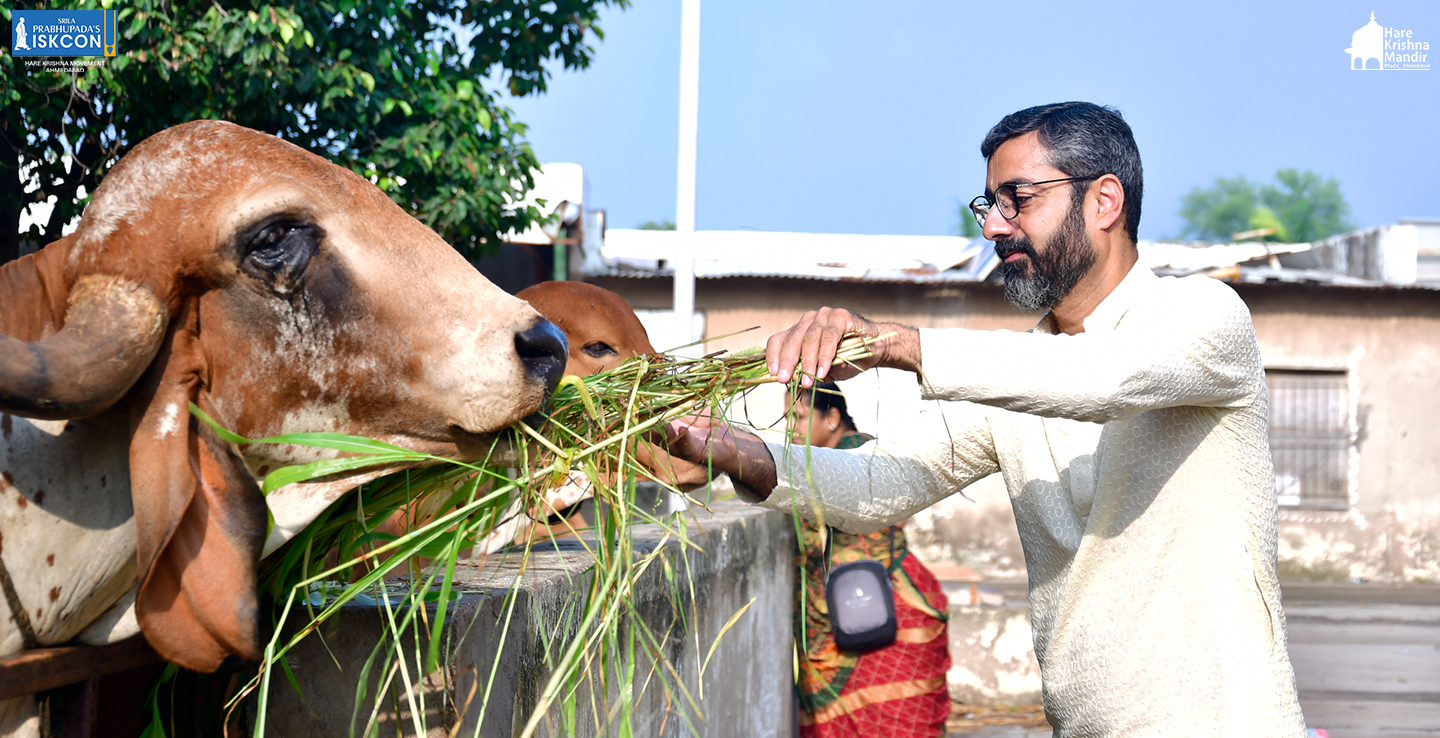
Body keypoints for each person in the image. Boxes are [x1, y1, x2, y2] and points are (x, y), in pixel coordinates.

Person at [668, 102, 1307, 737]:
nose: (994, 228)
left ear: (1104, 200)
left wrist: (894, 343)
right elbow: (876, 484)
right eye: (988, 206)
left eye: (1017, 199)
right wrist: (731, 450)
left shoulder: (1206, 317)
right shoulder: (1020, 371)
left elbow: (1107, 378)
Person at [785, 382, 950, 737]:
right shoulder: (869, 451)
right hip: (888, 593)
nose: (790, 428)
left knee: (896, 718)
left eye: (797, 417)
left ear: (831, 417)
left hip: (880, 602)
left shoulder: (842, 461)